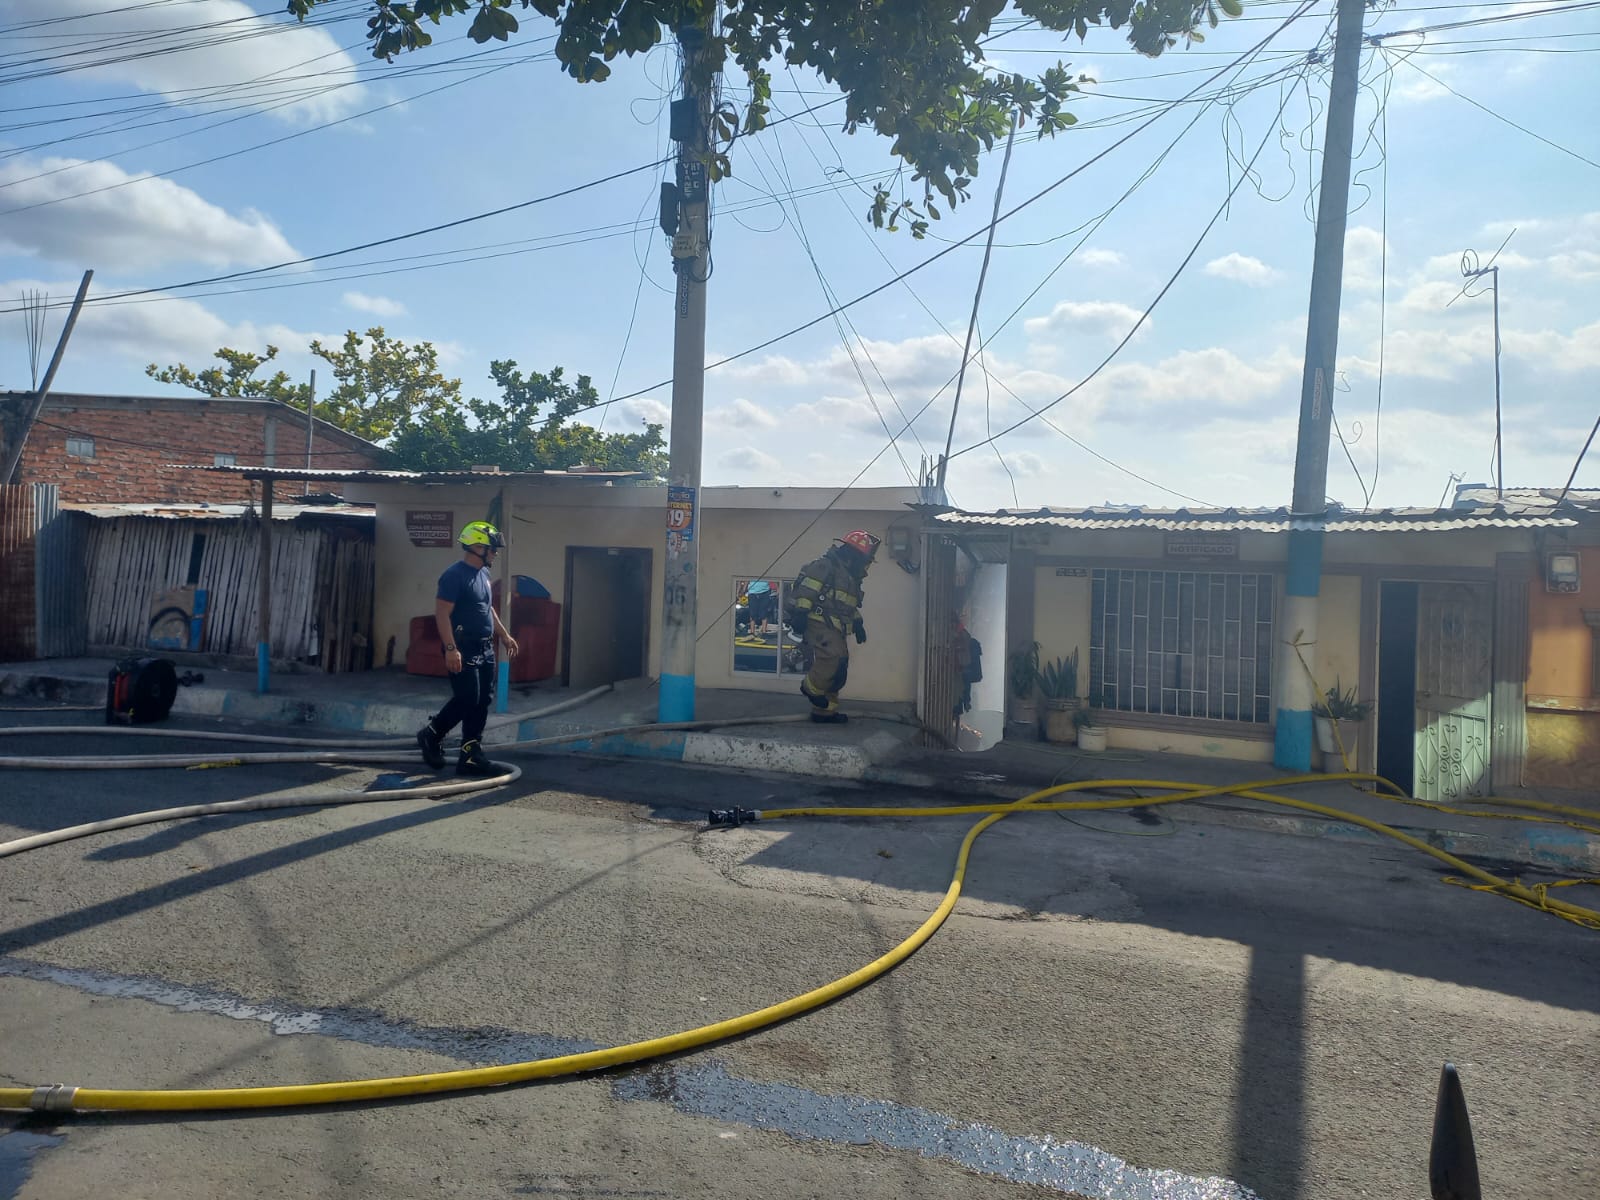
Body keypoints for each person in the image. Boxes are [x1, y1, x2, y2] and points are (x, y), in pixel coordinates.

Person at [416, 521, 518, 776]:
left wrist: (503, 634)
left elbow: (487, 607)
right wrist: (451, 648)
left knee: (483, 700)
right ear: (476, 547)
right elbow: (441, 613)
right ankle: (431, 734)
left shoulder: (483, 573)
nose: (495, 553)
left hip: (485, 647)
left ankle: (471, 753)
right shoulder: (454, 575)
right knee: (467, 698)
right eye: (492, 549)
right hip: (462, 647)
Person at [785, 530, 880, 723]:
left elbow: (846, 605)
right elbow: (807, 590)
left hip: (836, 626)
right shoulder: (825, 566)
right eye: (864, 558)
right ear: (852, 554)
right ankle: (810, 688)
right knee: (833, 657)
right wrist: (801, 614)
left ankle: (825, 712)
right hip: (818, 621)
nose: (865, 564)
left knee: (840, 668)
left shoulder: (849, 577)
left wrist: (858, 622)